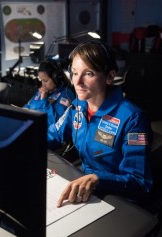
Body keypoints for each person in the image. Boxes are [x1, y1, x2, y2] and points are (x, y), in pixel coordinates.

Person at [47, 39, 153, 207]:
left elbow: (139, 181)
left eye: (88, 74)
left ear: (109, 77)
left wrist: (98, 180)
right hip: (85, 187)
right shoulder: (77, 107)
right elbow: (52, 134)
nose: (77, 82)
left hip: (119, 198)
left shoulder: (133, 118)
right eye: (74, 73)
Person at [23, 60, 75, 126]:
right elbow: (28, 106)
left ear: (56, 78)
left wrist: (44, 101)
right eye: (41, 80)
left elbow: (54, 122)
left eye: (45, 81)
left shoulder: (66, 95)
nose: (43, 84)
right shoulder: (41, 92)